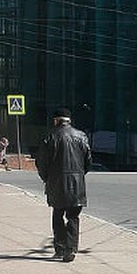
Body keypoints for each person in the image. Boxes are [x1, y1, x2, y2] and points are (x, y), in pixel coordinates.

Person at [35, 107, 92, 262]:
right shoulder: (81, 136)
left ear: (56, 120)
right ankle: (71, 249)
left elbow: (41, 162)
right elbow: (88, 162)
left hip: (56, 183)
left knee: (58, 215)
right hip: (77, 185)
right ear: (69, 121)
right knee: (73, 217)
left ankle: (60, 248)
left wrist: (46, 178)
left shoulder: (49, 136)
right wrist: (79, 175)